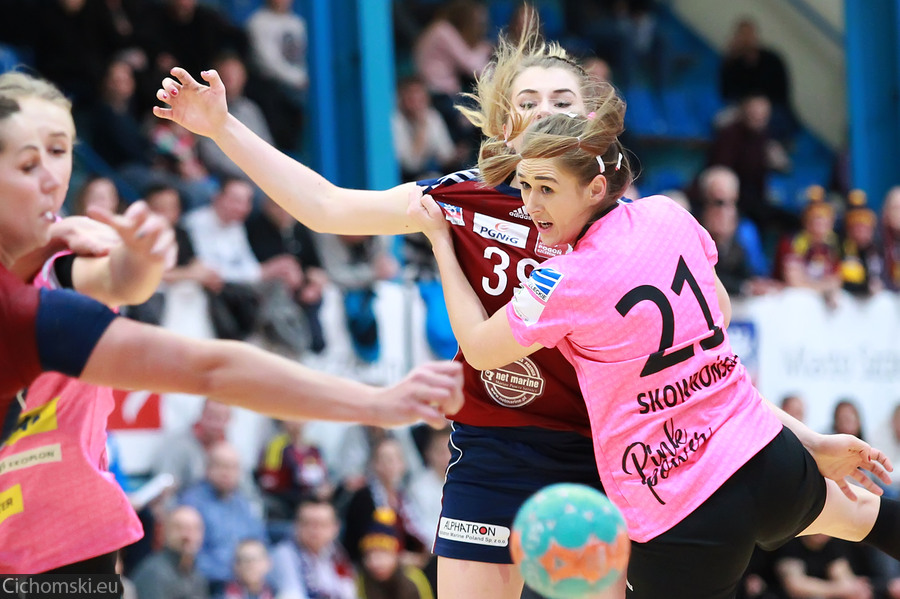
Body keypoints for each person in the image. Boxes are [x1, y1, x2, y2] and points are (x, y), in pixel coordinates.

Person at [154, 21, 617, 598]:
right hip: (491, 449)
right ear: (505, 124)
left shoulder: (617, 217)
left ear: (588, 121)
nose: (545, 110)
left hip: (595, 448)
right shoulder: (457, 199)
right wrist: (223, 127)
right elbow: (326, 207)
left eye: (561, 101)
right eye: (528, 101)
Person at [407, 107, 900, 598]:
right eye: (526, 185)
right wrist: (811, 443)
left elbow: (479, 349)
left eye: (547, 189)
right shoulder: (667, 213)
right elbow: (720, 311)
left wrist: (441, 245)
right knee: (869, 517)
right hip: (768, 459)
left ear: (595, 188)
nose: (530, 204)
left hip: (680, 510)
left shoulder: (561, 280)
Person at [0, 88, 463, 574]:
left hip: (70, 545)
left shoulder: (59, 272)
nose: (52, 178)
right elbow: (209, 368)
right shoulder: (25, 312)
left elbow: (122, 285)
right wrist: (375, 404)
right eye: (28, 164)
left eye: (60, 152)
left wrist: (140, 262)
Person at [269, 499, 357, 599]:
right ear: (296, 525)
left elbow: (349, 592)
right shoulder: (283, 555)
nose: (315, 530)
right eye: (308, 523)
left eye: (322, 524)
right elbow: (291, 595)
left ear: (335, 527)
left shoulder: (338, 553)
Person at [131, 504, 210, 599]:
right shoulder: (154, 573)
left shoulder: (197, 575)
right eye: (179, 528)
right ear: (165, 533)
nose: (187, 536)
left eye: (194, 529)